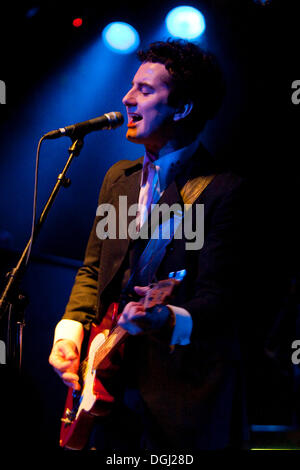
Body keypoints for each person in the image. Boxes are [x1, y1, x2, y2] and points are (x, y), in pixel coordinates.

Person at [49, 39, 249, 451]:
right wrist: (68, 334)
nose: (126, 98)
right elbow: (93, 269)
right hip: (107, 387)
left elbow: (224, 301)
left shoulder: (224, 191)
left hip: (178, 403)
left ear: (183, 107)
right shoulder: (118, 179)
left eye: (145, 90)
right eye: (130, 87)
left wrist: (165, 318)